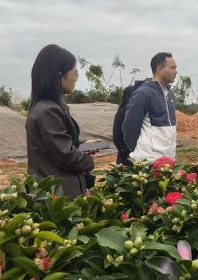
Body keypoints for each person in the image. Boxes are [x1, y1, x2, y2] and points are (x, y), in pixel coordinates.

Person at [26, 45, 102, 198]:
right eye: (75, 73)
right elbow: (66, 156)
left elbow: (55, 147)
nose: (75, 79)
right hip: (59, 197)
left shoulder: (44, 107)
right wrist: (89, 161)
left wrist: (81, 146)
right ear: (59, 76)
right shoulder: (49, 111)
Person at [123, 53, 178, 162]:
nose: (176, 71)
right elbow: (129, 129)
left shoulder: (169, 93)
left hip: (167, 161)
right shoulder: (143, 93)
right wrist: (141, 151)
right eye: (172, 68)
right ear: (159, 69)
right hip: (148, 162)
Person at [113, 85, 135, 166]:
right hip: (126, 156)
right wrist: (124, 151)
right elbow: (117, 136)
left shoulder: (137, 112)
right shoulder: (122, 113)